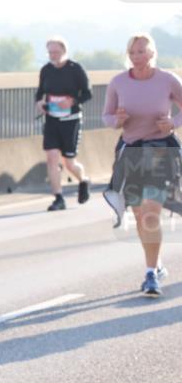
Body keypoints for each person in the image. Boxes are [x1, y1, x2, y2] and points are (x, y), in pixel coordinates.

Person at [101, 33, 182, 296]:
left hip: (161, 150)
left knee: (150, 212)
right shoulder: (118, 83)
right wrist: (119, 119)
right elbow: (107, 116)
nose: (137, 57)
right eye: (133, 52)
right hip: (132, 152)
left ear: (152, 53)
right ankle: (156, 264)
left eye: (142, 51)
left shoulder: (168, 80)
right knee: (138, 215)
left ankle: (149, 276)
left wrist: (173, 123)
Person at [33, 37, 92, 211]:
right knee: (51, 158)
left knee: (69, 163)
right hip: (51, 120)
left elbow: (88, 93)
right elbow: (40, 92)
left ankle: (83, 180)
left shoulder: (75, 69)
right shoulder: (46, 70)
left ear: (64, 51)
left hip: (70, 121)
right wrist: (39, 103)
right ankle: (58, 198)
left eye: (56, 52)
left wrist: (72, 101)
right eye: (50, 52)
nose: (53, 55)